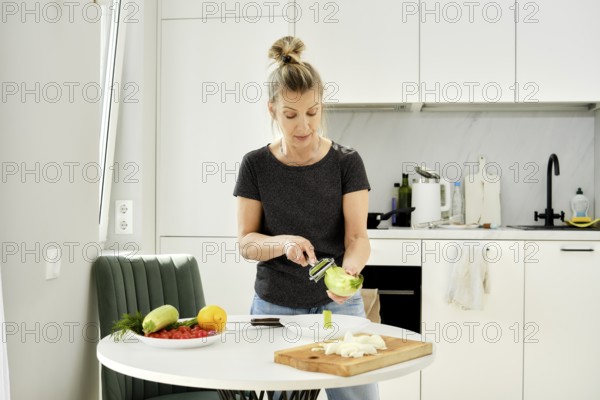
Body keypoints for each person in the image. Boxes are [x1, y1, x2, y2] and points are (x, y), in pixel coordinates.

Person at [233, 36, 378, 400]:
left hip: (337, 306)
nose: (303, 126)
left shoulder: (346, 162)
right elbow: (247, 243)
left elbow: (358, 238)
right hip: (275, 308)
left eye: (312, 113)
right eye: (290, 115)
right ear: (272, 110)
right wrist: (282, 243)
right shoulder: (255, 165)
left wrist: (349, 273)